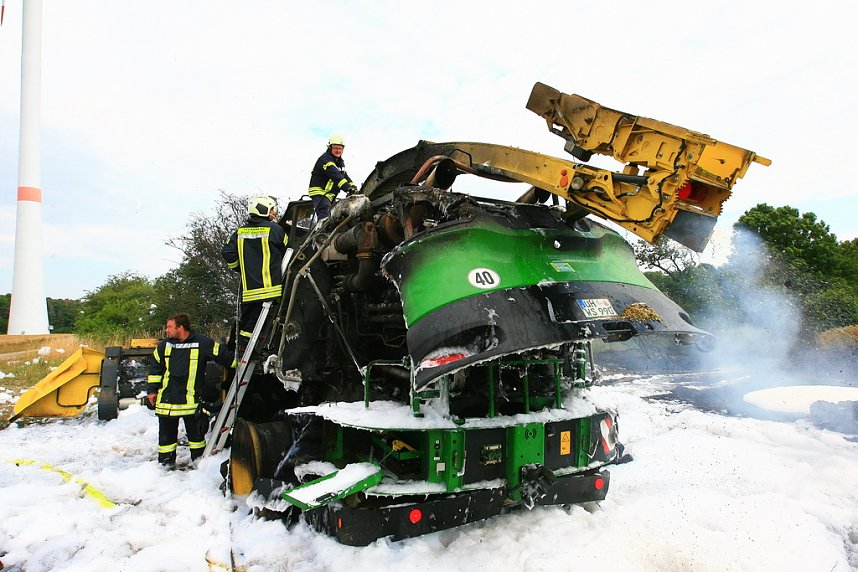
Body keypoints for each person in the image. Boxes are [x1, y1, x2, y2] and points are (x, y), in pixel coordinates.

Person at [146, 313, 234, 468]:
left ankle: (199, 469)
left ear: (180, 327)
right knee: (166, 443)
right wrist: (152, 391)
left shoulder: (203, 343)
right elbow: (155, 369)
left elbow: (225, 357)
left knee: (197, 441)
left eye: (169, 327)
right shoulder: (164, 345)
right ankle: (165, 469)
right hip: (168, 402)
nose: (166, 330)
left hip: (191, 404)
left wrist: (246, 361)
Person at [221, 195, 289, 354]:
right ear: (264, 210)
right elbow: (288, 249)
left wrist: (241, 268)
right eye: (272, 209)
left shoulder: (239, 232)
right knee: (257, 324)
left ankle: (237, 348)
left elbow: (227, 252)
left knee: (246, 321)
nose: (274, 213)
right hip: (270, 289)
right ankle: (247, 350)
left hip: (249, 290)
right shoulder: (276, 230)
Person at [308, 133, 358, 219]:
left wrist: (355, 189)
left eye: (340, 148)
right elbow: (336, 176)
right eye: (336, 148)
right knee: (325, 218)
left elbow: (345, 177)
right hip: (320, 193)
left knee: (336, 217)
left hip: (329, 195)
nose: (338, 151)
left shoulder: (339, 162)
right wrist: (348, 188)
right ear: (330, 148)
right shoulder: (325, 160)